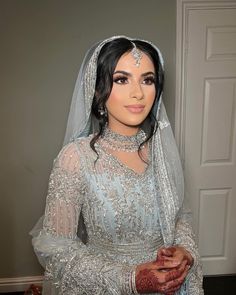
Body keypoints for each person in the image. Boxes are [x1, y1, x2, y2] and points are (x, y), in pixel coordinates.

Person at [31, 36, 204, 294]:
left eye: (148, 79)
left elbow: (180, 217)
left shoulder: (163, 153)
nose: (138, 92)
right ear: (99, 89)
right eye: (121, 79)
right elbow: (58, 250)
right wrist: (130, 279)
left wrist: (184, 250)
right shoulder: (76, 158)